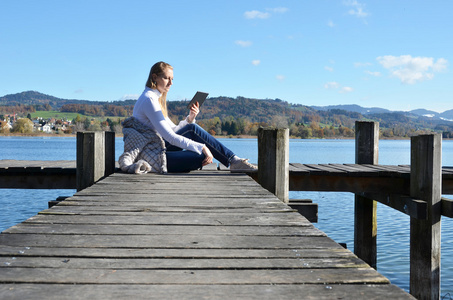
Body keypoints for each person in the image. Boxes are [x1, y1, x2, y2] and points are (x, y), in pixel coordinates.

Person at [131, 61, 257, 173]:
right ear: (154, 77)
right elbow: (170, 137)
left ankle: (234, 161)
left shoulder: (154, 99)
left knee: (192, 130)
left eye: (172, 79)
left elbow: (173, 131)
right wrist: (201, 147)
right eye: (167, 78)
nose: (171, 83)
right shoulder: (149, 100)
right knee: (203, 154)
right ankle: (234, 161)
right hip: (153, 156)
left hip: (159, 149)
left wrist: (189, 118)